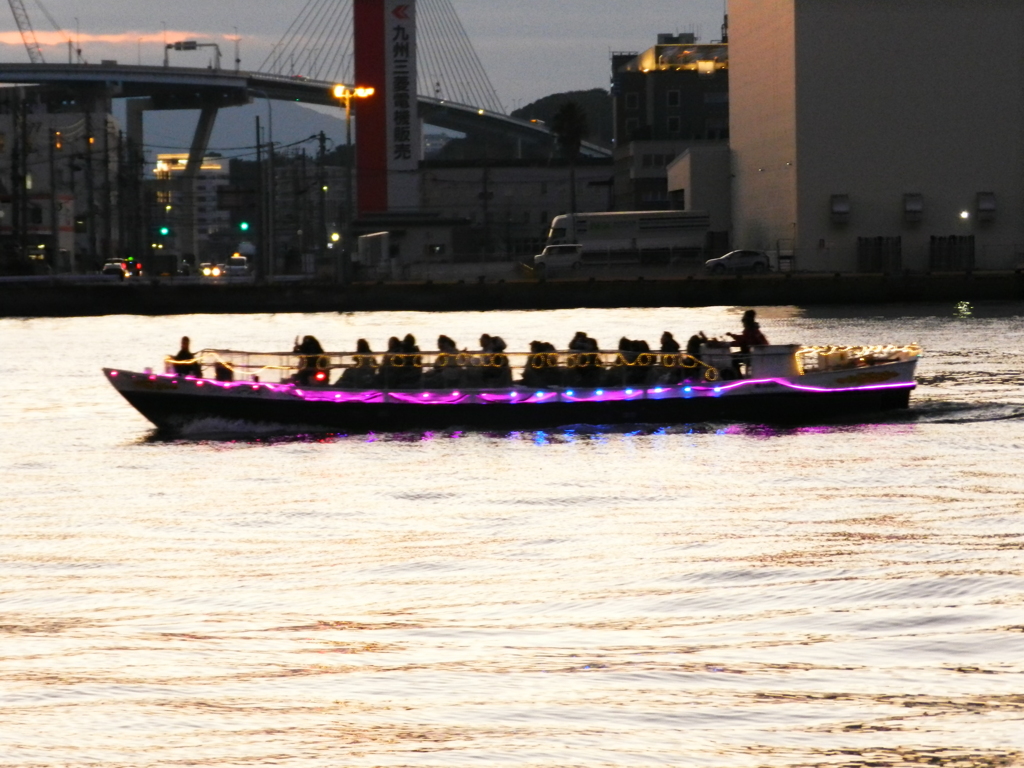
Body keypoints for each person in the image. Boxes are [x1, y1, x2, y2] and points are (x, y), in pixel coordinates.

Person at [727, 310, 769, 376]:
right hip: (755, 354)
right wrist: (732, 335)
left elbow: (744, 342)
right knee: (734, 356)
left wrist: (728, 344)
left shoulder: (751, 331)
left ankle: (738, 377)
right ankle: (739, 375)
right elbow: (744, 339)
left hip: (752, 355)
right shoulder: (754, 330)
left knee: (733, 358)